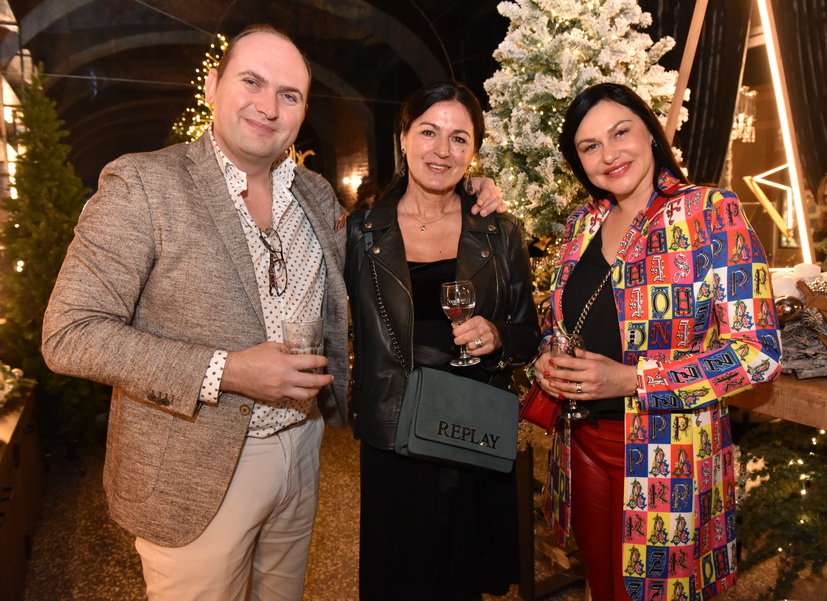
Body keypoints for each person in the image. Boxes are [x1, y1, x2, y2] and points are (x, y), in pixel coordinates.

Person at [41, 24, 506, 601]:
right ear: (212, 85)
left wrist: (469, 190)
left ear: (303, 111)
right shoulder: (144, 184)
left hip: (302, 449)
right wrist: (229, 370)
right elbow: (70, 333)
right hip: (196, 466)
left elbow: (396, 255)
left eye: (289, 94)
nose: (268, 107)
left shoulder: (315, 194)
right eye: (252, 82)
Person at [532, 83, 782, 600]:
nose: (609, 154)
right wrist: (546, 357)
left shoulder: (709, 211)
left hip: (669, 452)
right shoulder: (582, 223)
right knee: (603, 588)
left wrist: (633, 380)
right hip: (580, 444)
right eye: (590, 146)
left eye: (620, 132)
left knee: (655, 592)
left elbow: (758, 355)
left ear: (649, 131)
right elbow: (563, 322)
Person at [344, 81, 539, 600]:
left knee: (461, 579)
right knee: (397, 578)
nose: (442, 150)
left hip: (468, 428)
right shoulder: (361, 233)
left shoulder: (499, 233)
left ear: (473, 151)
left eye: (459, 138)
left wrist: (498, 335)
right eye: (429, 132)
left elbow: (529, 336)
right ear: (404, 138)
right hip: (394, 430)